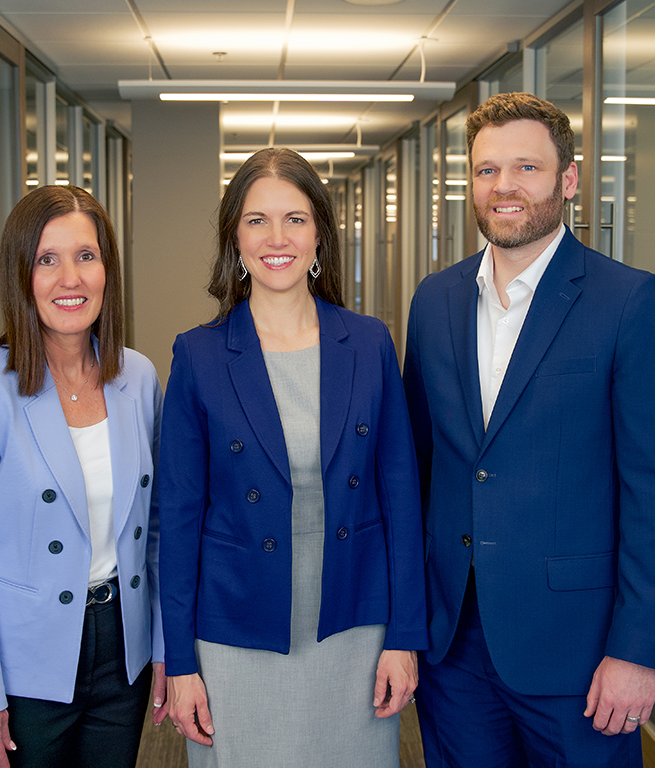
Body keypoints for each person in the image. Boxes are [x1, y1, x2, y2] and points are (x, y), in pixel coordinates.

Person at [403, 91, 655, 767]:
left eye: (526, 168)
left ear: (568, 180)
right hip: (453, 647)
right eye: (485, 170)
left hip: (581, 656)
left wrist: (638, 651)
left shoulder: (630, 301)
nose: (504, 187)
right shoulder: (434, 299)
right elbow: (419, 466)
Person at [159, 147, 427, 767]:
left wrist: (404, 637)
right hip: (235, 628)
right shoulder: (199, 355)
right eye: (256, 220)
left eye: (295, 219)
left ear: (320, 233)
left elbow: (401, 497)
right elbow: (177, 519)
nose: (276, 238)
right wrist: (180, 662)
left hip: (354, 625)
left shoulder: (368, 343)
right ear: (234, 236)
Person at [0, 185, 166, 768]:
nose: (71, 279)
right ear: (21, 276)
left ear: (107, 270)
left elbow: (157, 529)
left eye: (86, 256)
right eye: (47, 259)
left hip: (122, 654)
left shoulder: (137, 377)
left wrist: (164, 645)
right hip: (20, 664)